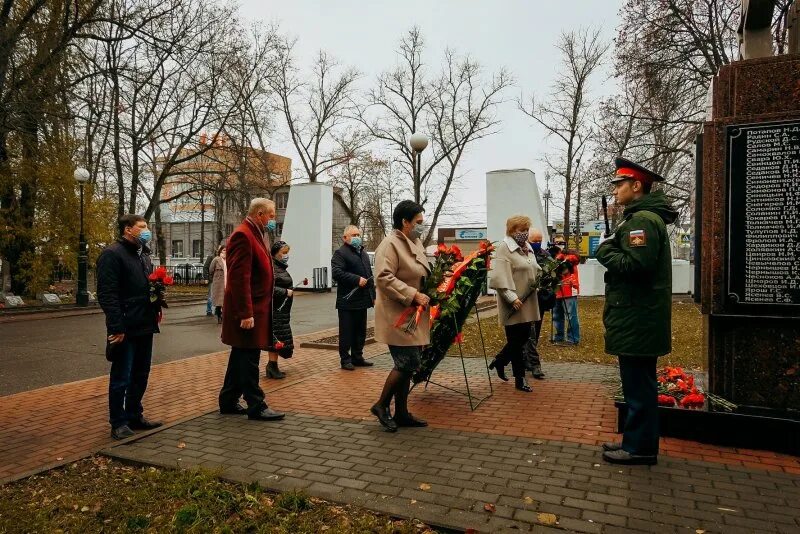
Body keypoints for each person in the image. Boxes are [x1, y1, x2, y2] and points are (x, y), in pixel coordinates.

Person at [596, 157, 677, 466]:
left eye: (620, 185)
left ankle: (640, 449)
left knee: (639, 387)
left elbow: (636, 266)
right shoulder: (641, 218)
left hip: (637, 317)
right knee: (636, 385)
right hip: (638, 316)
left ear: (637, 186)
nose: (615, 190)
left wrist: (604, 249)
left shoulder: (642, 220)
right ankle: (634, 441)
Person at [96, 214, 164, 440]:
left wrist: (157, 295)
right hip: (125, 325)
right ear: (128, 229)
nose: (147, 230)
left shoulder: (143, 254)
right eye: (142, 227)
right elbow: (107, 295)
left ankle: (135, 414)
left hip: (145, 322)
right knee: (121, 376)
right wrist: (116, 327)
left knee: (141, 374)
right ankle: (118, 422)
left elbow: (146, 285)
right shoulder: (112, 254)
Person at [218, 198, 285, 421]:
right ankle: (256, 404)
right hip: (248, 312)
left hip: (256, 309)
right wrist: (246, 313)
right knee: (249, 358)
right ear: (259, 214)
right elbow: (239, 278)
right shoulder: (243, 235)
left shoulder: (257, 233)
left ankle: (228, 401)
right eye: (271, 215)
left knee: (240, 356)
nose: (273, 219)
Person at [371, 200, 431, 432]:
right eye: (418, 222)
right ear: (404, 222)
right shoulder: (390, 245)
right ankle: (381, 405)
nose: (421, 227)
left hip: (412, 315)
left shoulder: (413, 242)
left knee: (406, 365)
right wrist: (413, 294)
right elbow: (384, 277)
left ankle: (402, 412)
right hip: (397, 315)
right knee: (408, 363)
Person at [488, 215, 542, 393]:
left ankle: (500, 361)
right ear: (511, 231)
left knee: (523, 339)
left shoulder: (527, 248)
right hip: (514, 303)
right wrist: (512, 298)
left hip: (528, 301)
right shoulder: (504, 248)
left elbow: (533, 269)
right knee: (516, 343)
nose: (525, 233)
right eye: (521, 230)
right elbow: (499, 278)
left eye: (527, 230)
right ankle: (520, 379)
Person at [332, 225, 375, 370]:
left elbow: (369, 274)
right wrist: (356, 279)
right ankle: (345, 360)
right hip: (347, 301)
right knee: (347, 332)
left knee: (360, 331)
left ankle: (357, 357)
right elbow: (336, 273)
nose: (357, 237)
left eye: (358, 234)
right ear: (345, 238)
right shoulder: (340, 253)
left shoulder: (362, 253)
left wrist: (373, 295)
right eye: (354, 235)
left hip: (362, 300)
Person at [523, 228, 555, 379]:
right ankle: (533, 363)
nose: (537, 243)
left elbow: (553, 276)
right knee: (529, 332)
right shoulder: (522, 254)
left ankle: (526, 359)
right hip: (525, 300)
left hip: (539, 300)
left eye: (539, 241)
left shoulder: (546, 255)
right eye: (534, 241)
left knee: (535, 330)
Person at [266, 241, 294, 379]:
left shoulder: (280, 267)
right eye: (284, 253)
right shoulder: (271, 267)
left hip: (282, 310)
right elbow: (267, 288)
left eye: (287, 252)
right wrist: (284, 292)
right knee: (275, 339)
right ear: (275, 254)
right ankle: (272, 366)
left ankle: (273, 366)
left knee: (279, 339)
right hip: (275, 310)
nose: (286, 255)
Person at [552, 248, 581, 344]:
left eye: (560, 243)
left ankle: (572, 338)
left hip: (569, 289)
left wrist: (561, 258)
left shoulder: (571, 258)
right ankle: (560, 336)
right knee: (557, 315)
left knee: (571, 316)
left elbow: (575, 259)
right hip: (558, 290)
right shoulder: (556, 257)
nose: (558, 245)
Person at [209, 245, 226, 324]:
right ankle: (219, 316)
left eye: (226, 250)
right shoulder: (216, 259)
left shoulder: (229, 259)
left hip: (227, 281)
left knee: (226, 300)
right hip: (219, 282)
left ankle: (224, 315)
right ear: (220, 251)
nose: (225, 252)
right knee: (219, 301)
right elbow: (211, 270)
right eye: (223, 250)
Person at [203, 252, 215, 317]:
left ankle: (218, 310)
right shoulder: (211, 257)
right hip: (212, 279)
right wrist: (206, 278)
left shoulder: (225, 257)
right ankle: (209, 310)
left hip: (220, 279)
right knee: (211, 295)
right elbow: (205, 267)